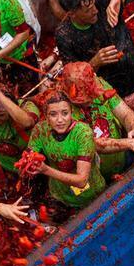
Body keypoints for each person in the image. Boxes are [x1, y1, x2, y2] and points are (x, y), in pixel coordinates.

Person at [22, 92, 106, 220]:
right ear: (46, 117)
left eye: (65, 113)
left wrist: (45, 170)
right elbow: (27, 158)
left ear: (71, 112)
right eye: (53, 114)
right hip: (59, 195)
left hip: (92, 194)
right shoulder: (40, 130)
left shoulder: (82, 133)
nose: (60, 120)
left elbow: (82, 180)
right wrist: (27, 165)